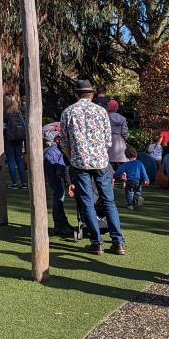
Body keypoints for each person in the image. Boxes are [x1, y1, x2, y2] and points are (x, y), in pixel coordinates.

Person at [60, 80, 126, 255]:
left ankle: (96, 242)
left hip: (79, 161)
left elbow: (65, 142)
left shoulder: (68, 112)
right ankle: (118, 241)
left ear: (76, 94)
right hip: (101, 161)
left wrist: (72, 156)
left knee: (87, 201)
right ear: (92, 95)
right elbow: (107, 141)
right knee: (108, 200)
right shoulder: (101, 111)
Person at [43, 128, 74, 237]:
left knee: (58, 194)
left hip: (51, 173)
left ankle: (62, 223)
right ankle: (60, 225)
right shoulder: (56, 152)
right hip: (54, 174)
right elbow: (61, 170)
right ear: (56, 140)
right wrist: (69, 183)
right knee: (59, 195)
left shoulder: (51, 150)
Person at [3, 97, 27, 189]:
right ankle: (24, 182)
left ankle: (14, 183)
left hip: (9, 139)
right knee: (19, 160)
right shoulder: (18, 113)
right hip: (19, 138)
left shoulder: (6, 114)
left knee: (11, 161)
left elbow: (3, 126)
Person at [107, 99, 128, 169]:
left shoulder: (106, 117)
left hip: (109, 140)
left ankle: (111, 178)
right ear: (117, 107)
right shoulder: (122, 118)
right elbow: (124, 132)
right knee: (122, 162)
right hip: (120, 141)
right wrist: (125, 139)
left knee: (110, 162)